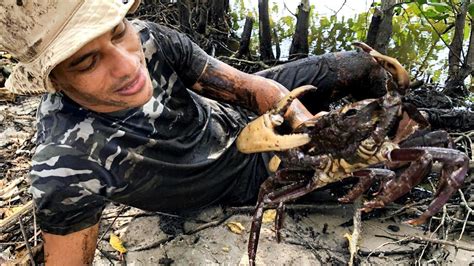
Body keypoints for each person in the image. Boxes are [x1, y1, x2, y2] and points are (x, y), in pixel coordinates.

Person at [1, 0, 388, 264]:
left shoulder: (150, 38)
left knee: (361, 66)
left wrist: (305, 123)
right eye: (87, 61)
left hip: (238, 115)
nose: (128, 65)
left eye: (117, 32)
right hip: (236, 175)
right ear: (54, 79)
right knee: (376, 177)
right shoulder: (66, 166)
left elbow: (249, 87)